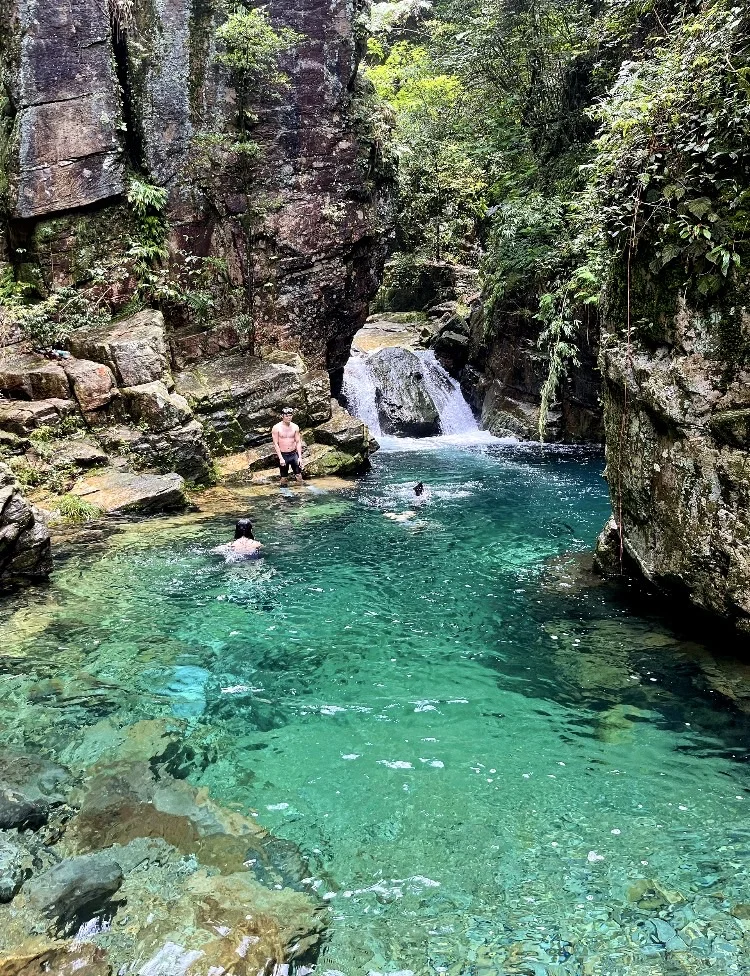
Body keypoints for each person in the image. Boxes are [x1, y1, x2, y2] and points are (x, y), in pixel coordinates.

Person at [272, 407, 304, 486]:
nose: (289, 417)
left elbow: (298, 442)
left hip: (293, 454)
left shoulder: (295, 427)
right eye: (286, 416)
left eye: (290, 415)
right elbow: (276, 443)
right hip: (283, 455)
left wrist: (300, 457)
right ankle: (284, 493)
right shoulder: (276, 428)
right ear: (282, 416)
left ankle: (301, 491)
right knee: (284, 477)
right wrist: (280, 458)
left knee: (299, 475)